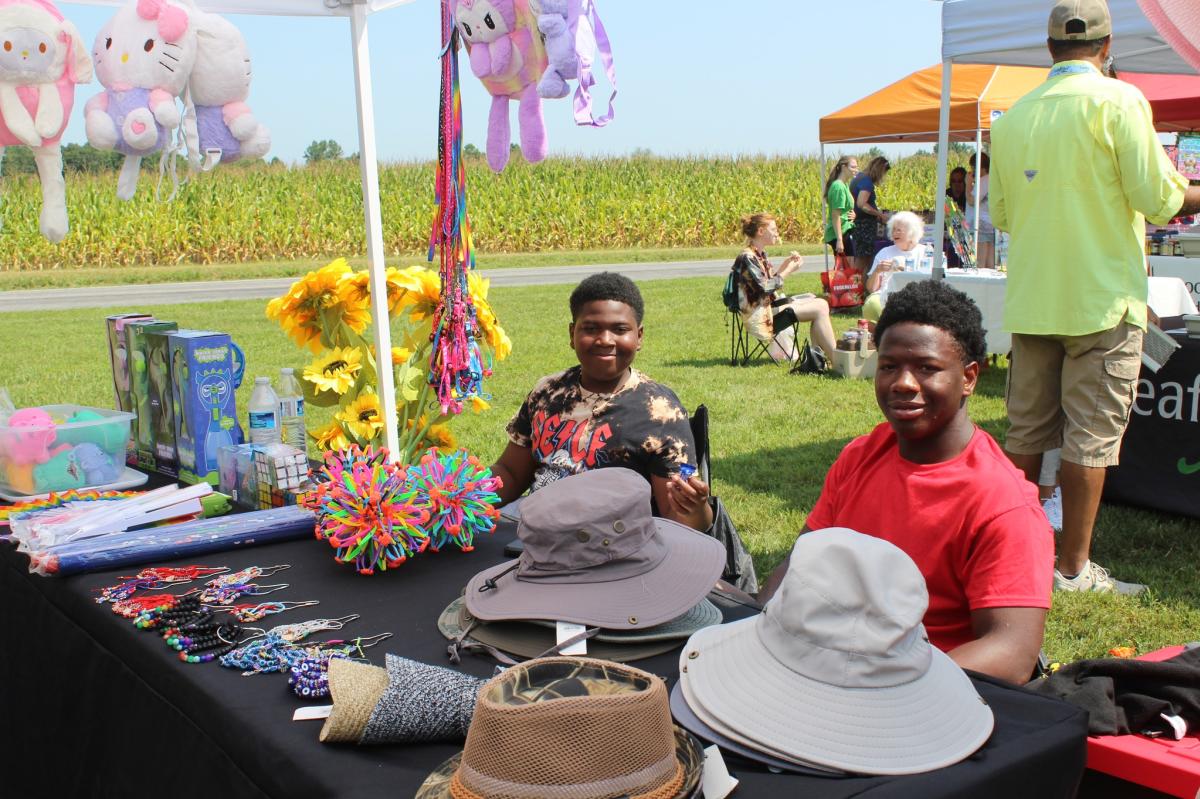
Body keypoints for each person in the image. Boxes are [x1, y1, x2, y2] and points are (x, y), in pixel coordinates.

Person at [989, 0, 1200, 594]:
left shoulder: (1012, 118)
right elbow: (1159, 198)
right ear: (1108, 48)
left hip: (1034, 298)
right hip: (1103, 299)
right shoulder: (1121, 100)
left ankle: (1009, 556)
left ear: (1050, 48)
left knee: (1025, 436)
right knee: (1092, 438)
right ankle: (1073, 568)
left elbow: (1002, 213)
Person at [759, 281, 1053, 685]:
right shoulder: (861, 456)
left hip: (921, 691)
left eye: (927, 368)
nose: (903, 383)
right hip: (824, 663)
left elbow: (1013, 651)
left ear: (968, 378)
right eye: (889, 365)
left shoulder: (1002, 502)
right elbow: (799, 563)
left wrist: (879, 678)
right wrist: (756, 622)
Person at [489, 271, 714, 531]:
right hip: (538, 533)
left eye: (619, 329)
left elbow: (680, 520)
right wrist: (463, 495)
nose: (605, 340)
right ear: (572, 333)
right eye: (591, 328)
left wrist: (696, 508)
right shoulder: (547, 392)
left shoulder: (659, 410)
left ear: (639, 336)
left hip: (612, 544)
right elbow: (512, 472)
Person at [733, 213, 836, 365]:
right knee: (820, 307)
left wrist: (787, 266)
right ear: (761, 231)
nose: (777, 232)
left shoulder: (758, 254)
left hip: (766, 308)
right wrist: (788, 270)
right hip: (760, 316)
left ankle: (817, 361)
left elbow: (765, 282)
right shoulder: (748, 257)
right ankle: (835, 360)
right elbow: (766, 287)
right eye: (773, 229)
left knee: (817, 301)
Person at [861, 210, 928, 324]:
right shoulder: (885, 252)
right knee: (872, 304)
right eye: (893, 230)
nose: (895, 233)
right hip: (886, 295)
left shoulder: (926, 252)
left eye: (899, 230)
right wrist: (877, 271)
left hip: (916, 296)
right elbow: (871, 289)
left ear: (912, 232)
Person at [850, 156, 891, 275]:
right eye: (883, 173)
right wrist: (880, 215)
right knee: (863, 261)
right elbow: (862, 204)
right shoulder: (866, 182)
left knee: (862, 260)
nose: (882, 177)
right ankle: (858, 288)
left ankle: (859, 288)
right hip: (864, 227)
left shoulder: (858, 177)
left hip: (859, 224)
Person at [823, 156, 857, 256]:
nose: (856, 170)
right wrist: (839, 240)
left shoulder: (844, 185)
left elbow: (845, 208)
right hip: (840, 232)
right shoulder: (838, 186)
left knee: (847, 268)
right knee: (844, 268)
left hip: (846, 229)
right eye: (853, 167)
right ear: (843, 167)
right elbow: (835, 214)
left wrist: (852, 214)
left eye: (856, 167)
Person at [964, 153, 994, 268]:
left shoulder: (984, 181)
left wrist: (968, 185)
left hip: (980, 225)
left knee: (980, 264)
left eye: (973, 167)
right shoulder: (990, 180)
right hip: (989, 224)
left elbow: (972, 200)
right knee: (989, 263)